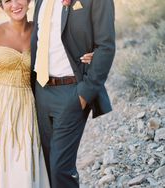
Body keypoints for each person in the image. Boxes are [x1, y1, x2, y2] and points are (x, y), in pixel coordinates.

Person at [0, 0, 94, 188]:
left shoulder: (39, 29)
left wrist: (92, 53)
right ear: (1, 7)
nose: (14, 5)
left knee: (24, 166)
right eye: (7, 1)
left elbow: (64, 46)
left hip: (28, 106)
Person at [30, 0, 116, 187]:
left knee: (60, 169)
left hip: (71, 92)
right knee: (46, 167)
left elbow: (106, 45)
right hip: (41, 91)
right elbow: (36, 37)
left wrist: (84, 93)